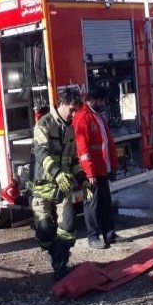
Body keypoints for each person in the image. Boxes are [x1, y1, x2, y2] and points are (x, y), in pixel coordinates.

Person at [29, 88, 88, 281]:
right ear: (61, 104)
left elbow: (72, 160)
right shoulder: (44, 124)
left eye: (75, 111)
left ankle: (61, 266)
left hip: (62, 188)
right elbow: (41, 154)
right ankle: (55, 254)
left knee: (68, 230)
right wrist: (56, 174)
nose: (73, 114)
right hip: (43, 188)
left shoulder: (70, 129)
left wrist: (83, 180)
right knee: (45, 231)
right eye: (71, 109)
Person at [73, 85, 119, 249]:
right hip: (90, 172)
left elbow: (107, 142)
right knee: (91, 204)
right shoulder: (82, 117)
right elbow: (83, 149)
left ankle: (109, 233)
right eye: (100, 100)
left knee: (105, 202)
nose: (102, 103)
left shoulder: (97, 116)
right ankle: (93, 237)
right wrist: (89, 173)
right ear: (91, 100)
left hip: (102, 169)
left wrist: (112, 165)